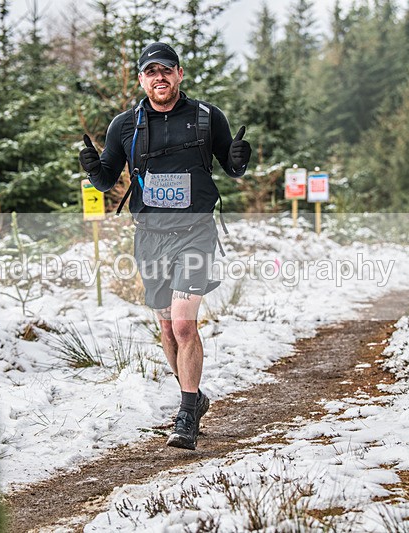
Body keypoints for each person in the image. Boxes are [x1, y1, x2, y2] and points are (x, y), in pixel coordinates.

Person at [78, 42, 251, 450]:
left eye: (166, 70)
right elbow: (106, 181)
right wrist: (92, 169)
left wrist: (241, 156)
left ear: (179, 74)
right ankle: (194, 395)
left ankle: (186, 414)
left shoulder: (208, 117)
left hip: (195, 232)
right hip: (150, 236)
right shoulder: (125, 125)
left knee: (185, 324)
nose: (160, 77)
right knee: (167, 327)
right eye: (151, 72)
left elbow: (233, 168)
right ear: (142, 79)